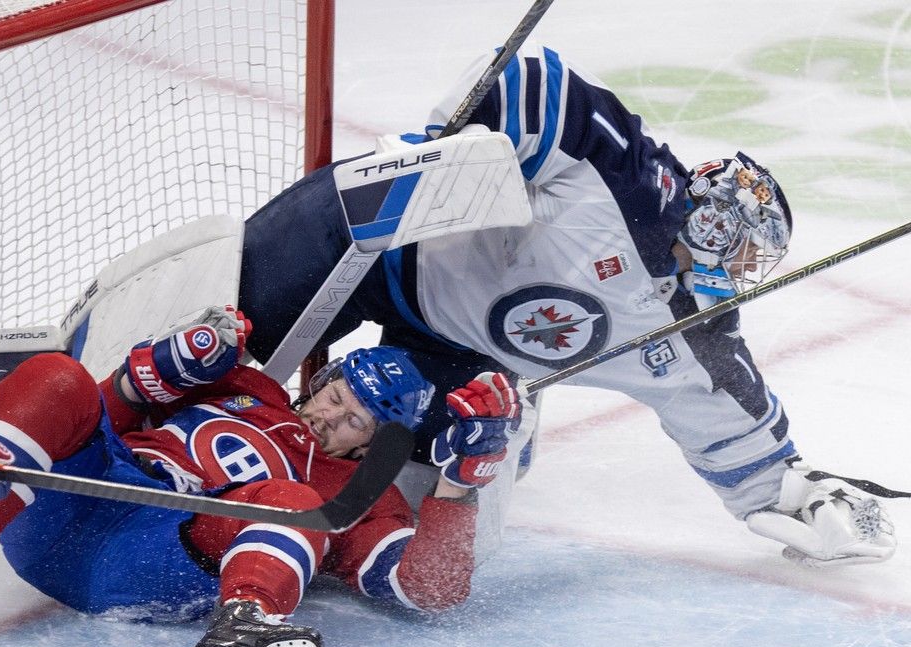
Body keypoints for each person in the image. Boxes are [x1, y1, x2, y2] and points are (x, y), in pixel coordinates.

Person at [233, 46, 896, 568]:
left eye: (751, 267)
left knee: (437, 463)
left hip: (453, 345)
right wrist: (452, 151)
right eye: (740, 253)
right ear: (715, 223)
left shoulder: (697, 326)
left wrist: (795, 496)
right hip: (381, 241)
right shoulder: (633, 184)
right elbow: (532, 81)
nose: (736, 275)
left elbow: (724, 411)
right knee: (232, 345)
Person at [0, 307, 521, 647]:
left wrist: (460, 484)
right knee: (59, 374)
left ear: (372, 449)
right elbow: (104, 407)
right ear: (322, 381)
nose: (332, 419)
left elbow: (430, 590)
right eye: (337, 397)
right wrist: (161, 365)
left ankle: (243, 627)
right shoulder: (246, 385)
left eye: (356, 423)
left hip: (154, 562)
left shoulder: (363, 496)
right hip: (70, 504)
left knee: (289, 497)